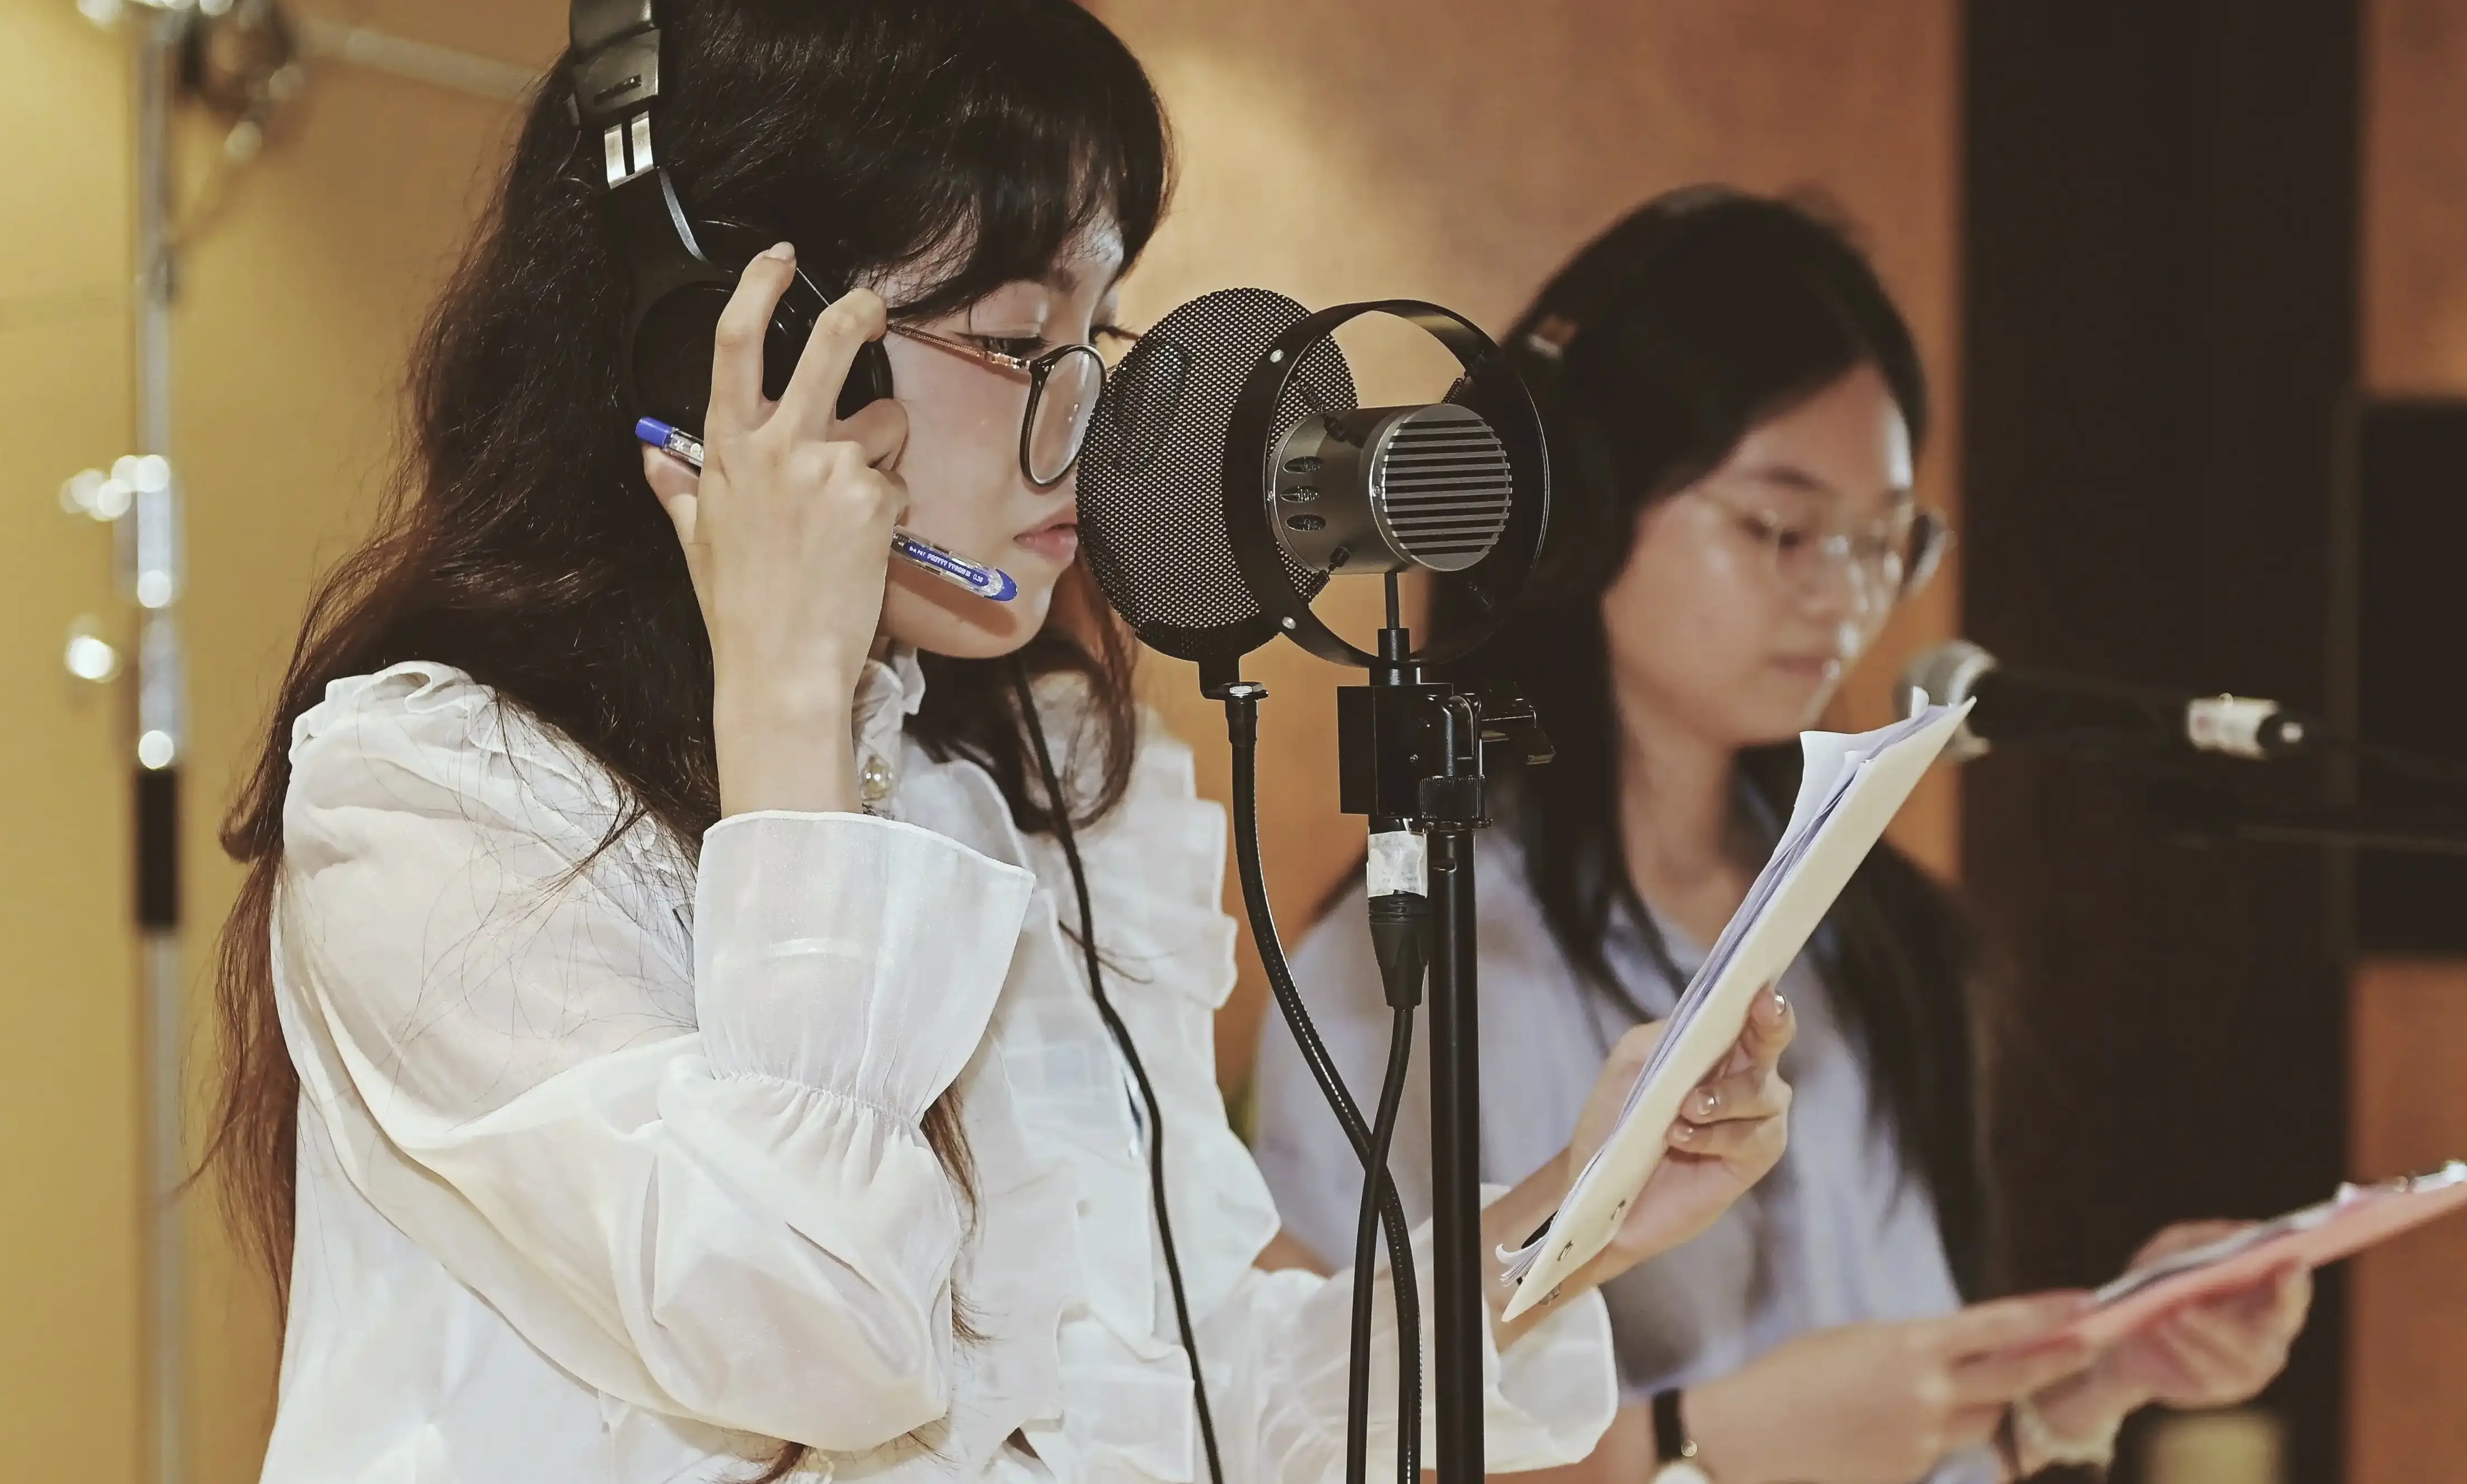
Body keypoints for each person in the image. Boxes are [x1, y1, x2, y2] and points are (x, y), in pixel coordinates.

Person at [198, 10, 1807, 1482]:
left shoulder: (1040, 780)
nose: (1093, 421)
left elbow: (1188, 1392)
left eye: (1102, 335)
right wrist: (788, 718)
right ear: (729, 351)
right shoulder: (439, 799)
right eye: (1026, 344)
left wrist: (1568, 1221)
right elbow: (807, 1331)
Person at [1249, 188, 2314, 1484]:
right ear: (1579, 512)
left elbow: (1894, 1414)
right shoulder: (1407, 958)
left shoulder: (1879, 933)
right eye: (1781, 527)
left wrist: (2080, 1382)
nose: (1841, 596)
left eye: (1881, 542)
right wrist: (1702, 1447)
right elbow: (1314, 1428)